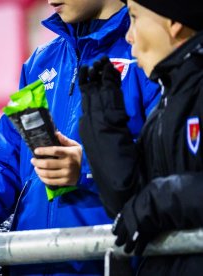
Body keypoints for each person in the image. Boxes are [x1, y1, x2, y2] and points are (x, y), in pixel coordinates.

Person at [0, 1, 160, 275]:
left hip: (112, 263)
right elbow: (7, 167)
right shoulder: (40, 62)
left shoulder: (148, 52)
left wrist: (87, 170)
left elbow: (169, 162)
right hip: (30, 264)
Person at [78, 0, 203, 274]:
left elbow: (155, 202)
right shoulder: (166, 105)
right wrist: (103, 125)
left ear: (173, 22)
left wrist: (162, 197)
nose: (129, 35)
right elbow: (126, 208)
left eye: (135, 17)